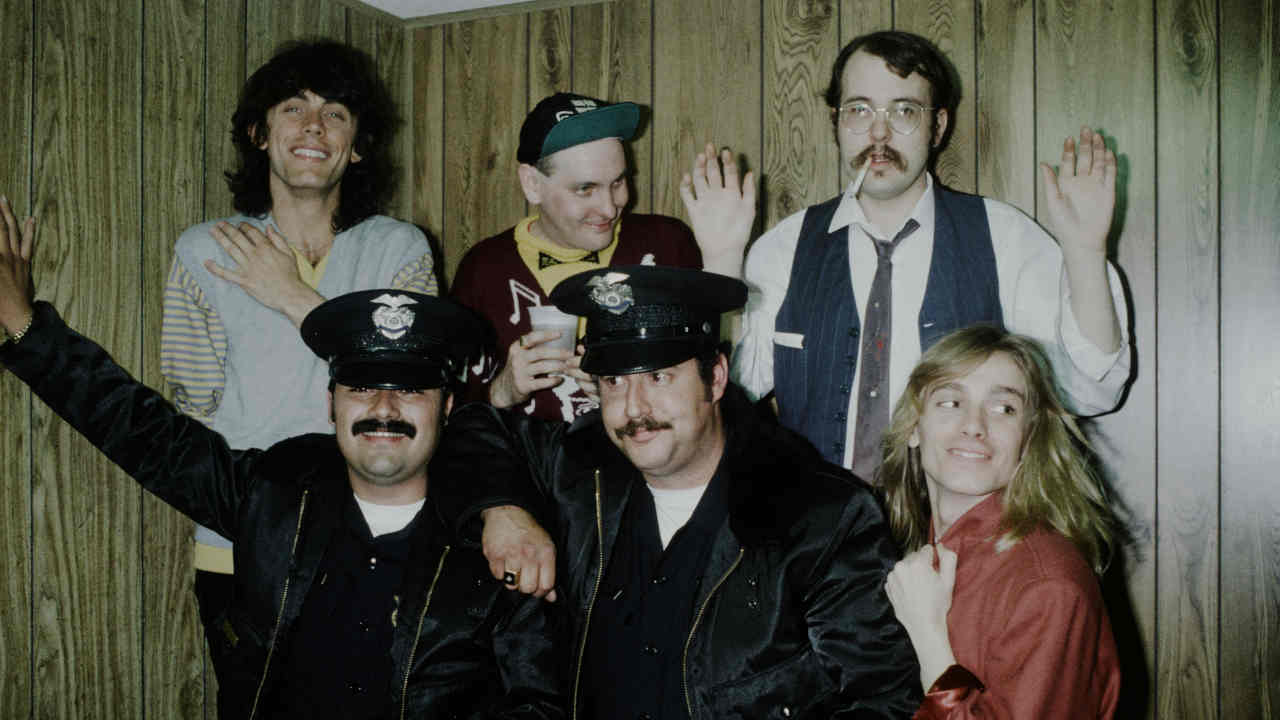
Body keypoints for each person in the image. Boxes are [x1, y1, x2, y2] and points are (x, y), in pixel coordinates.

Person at [0, 199, 562, 719]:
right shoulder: (276, 492)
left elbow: (537, 701)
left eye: (410, 391)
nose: (384, 409)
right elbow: (141, 431)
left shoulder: (501, 542)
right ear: (331, 403)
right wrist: (26, 326)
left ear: (444, 406)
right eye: (362, 389)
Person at [436, 265, 922, 718]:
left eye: (659, 377)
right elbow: (470, 429)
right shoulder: (581, 472)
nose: (634, 408)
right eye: (613, 382)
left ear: (715, 378)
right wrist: (502, 512)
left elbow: (883, 698)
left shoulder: (820, 515)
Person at [681, 30, 1131, 480]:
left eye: (904, 111)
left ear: (938, 126)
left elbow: (1092, 391)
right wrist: (721, 259)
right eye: (859, 110)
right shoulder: (785, 247)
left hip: (959, 536)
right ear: (836, 121)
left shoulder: (1004, 236)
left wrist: (1087, 254)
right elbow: (724, 391)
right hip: (815, 539)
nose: (879, 132)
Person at [158, 39, 438, 672]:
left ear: (358, 143)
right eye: (294, 108)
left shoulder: (399, 248)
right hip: (239, 546)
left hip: (376, 534)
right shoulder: (206, 249)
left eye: (336, 112)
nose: (314, 126)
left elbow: (407, 379)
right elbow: (192, 412)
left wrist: (291, 296)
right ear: (260, 133)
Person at [881, 325, 1121, 718]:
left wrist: (929, 637)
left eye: (1003, 408)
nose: (974, 425)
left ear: (1027, 440)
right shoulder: (921, 557)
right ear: (912, 428)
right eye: (950, 402)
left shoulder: (1048, 585)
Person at [451, 92, 701, 423]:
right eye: (585, 189)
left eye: (618, 182)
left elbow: (709, 383)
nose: (610, 207)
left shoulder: (666, 245)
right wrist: (501, 392)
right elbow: (446, 410)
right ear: (532, 184)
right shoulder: (484, 269)